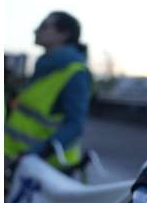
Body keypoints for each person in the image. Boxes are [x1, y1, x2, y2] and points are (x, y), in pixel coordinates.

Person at [5, 11, 93, 168]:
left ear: (64, 35)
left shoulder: (75, 72)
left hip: (45, 170)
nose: (36, 30)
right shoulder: (46, 66)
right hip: (19, 161)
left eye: (44, 26)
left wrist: (35, 154)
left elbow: (74, 125)